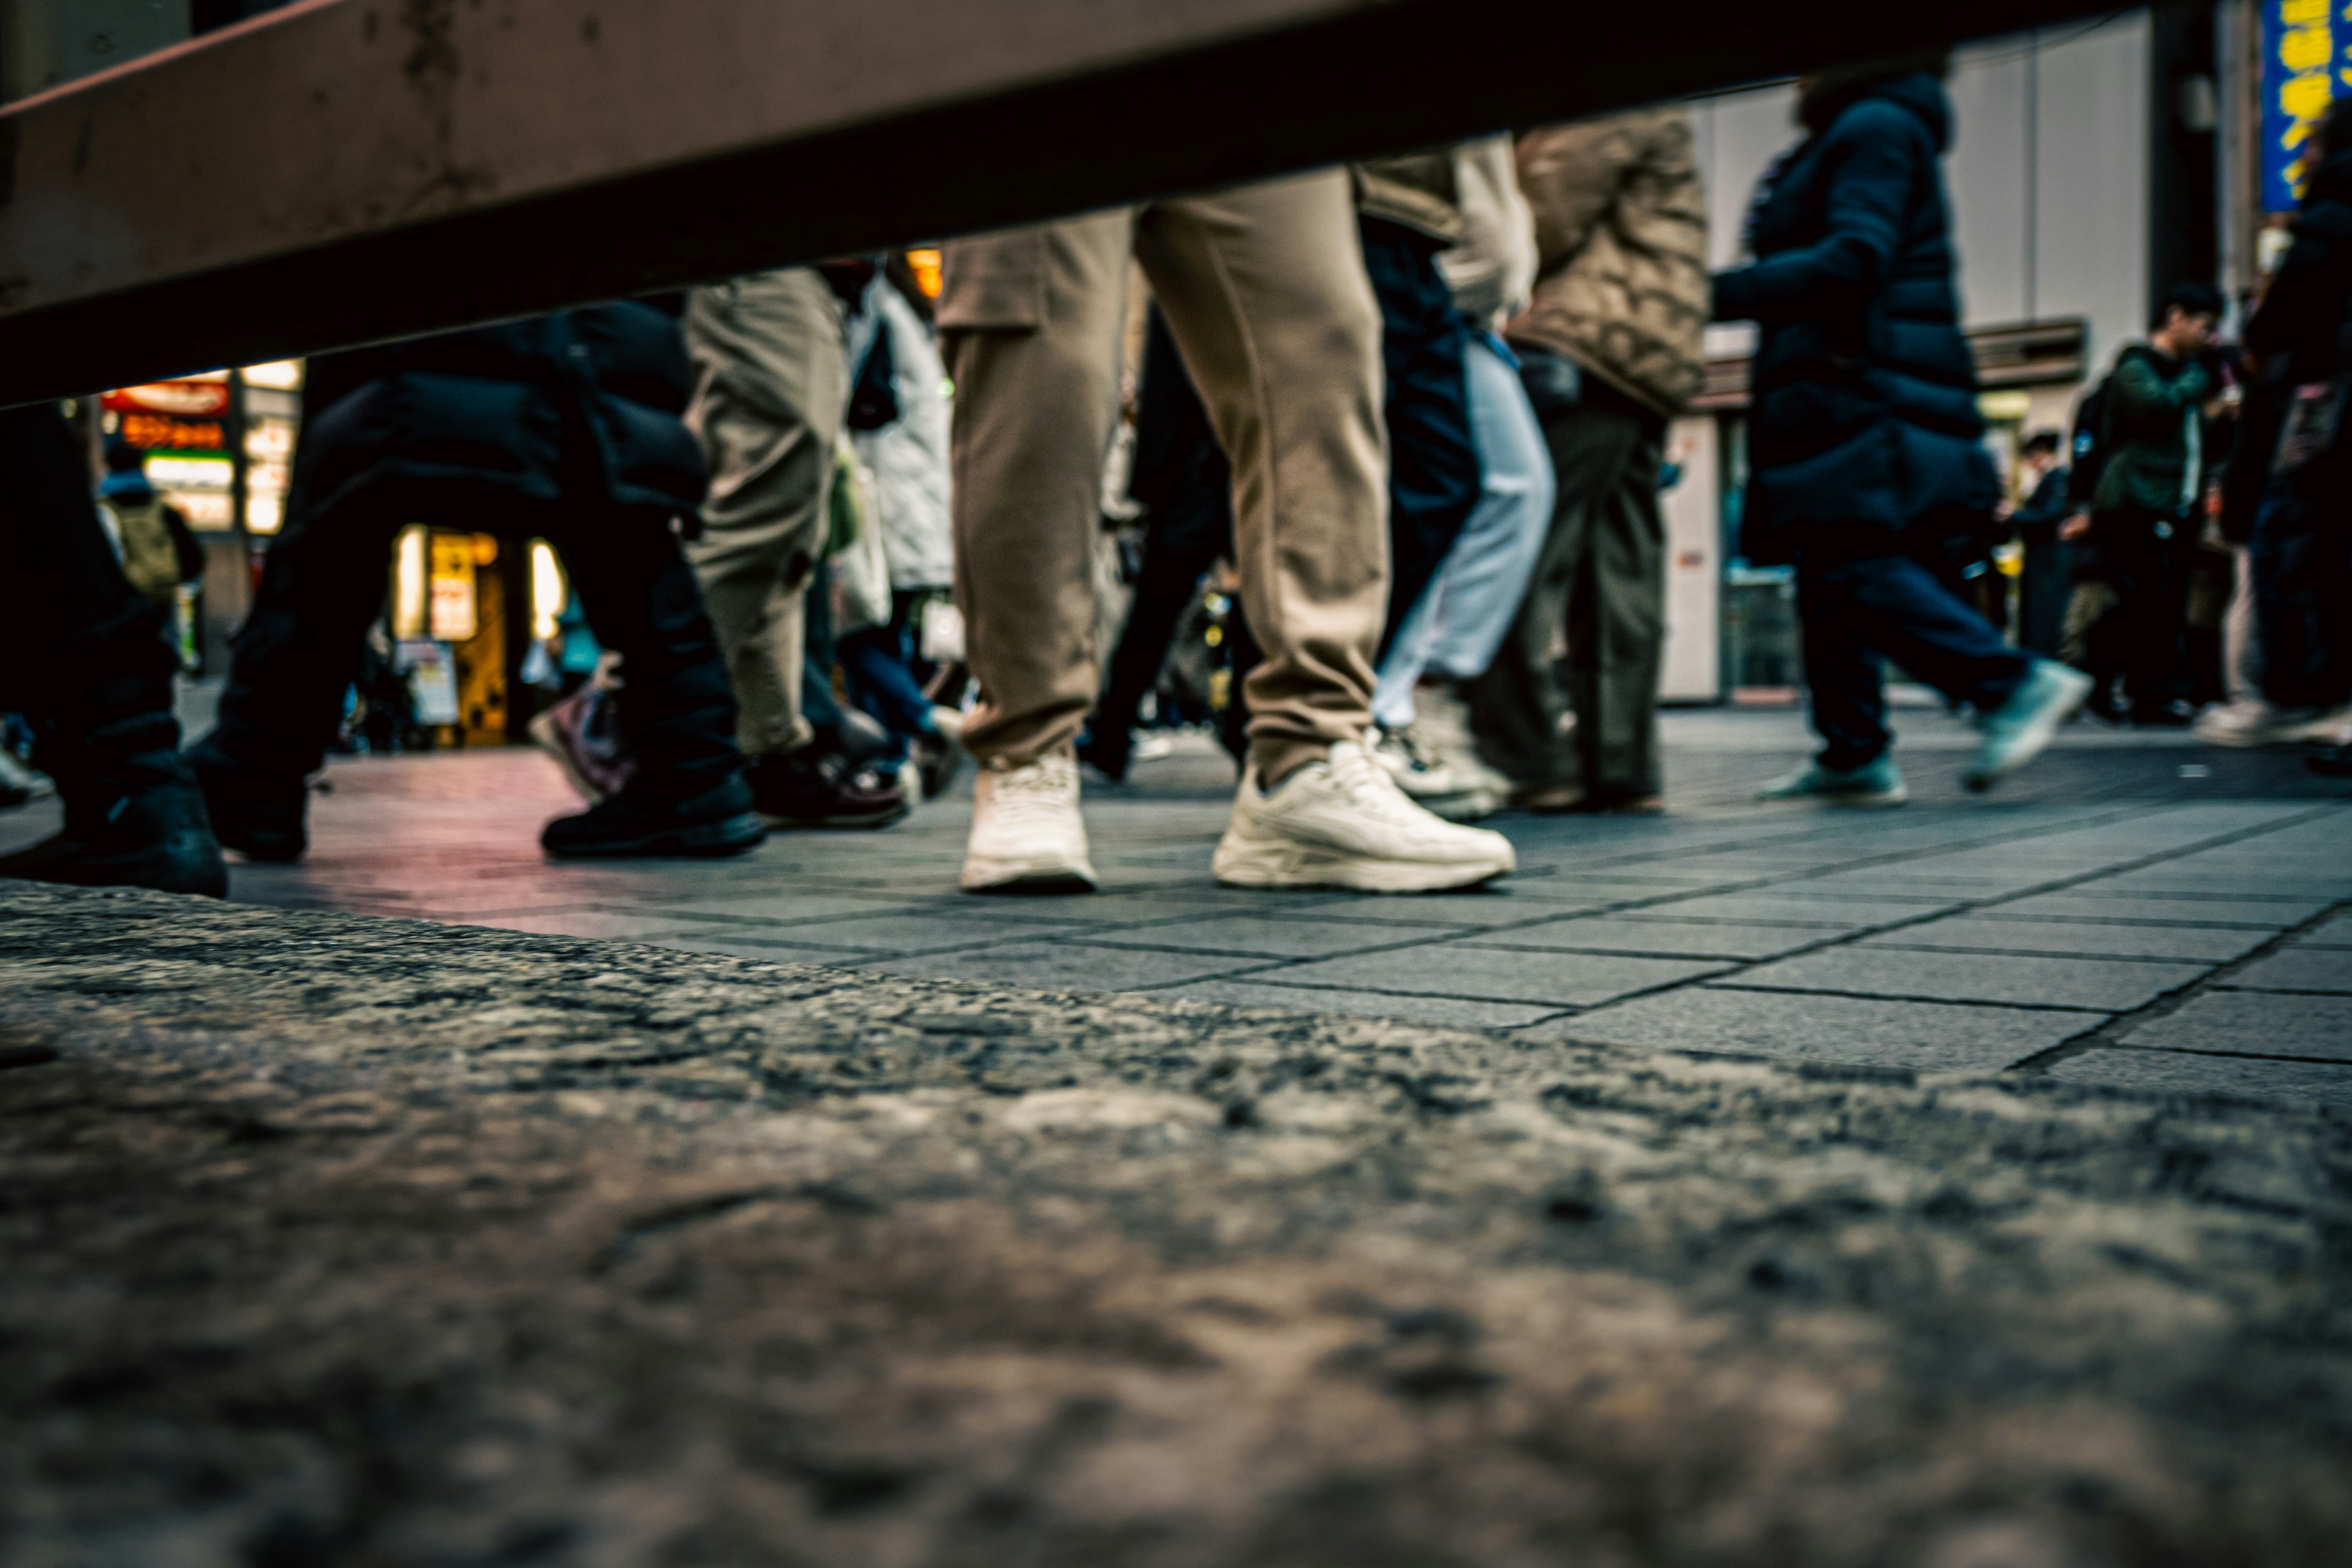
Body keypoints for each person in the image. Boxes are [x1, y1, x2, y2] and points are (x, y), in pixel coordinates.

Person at [940, 170, 1515, 894]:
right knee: (1041, 363)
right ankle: (1026, 749)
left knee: (1323, 352)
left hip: (1244, 72)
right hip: (1030, 64)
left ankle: (1305, 757)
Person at [187, 304, 764, 861]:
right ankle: (694, 772)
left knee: (339, 527)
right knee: (623, 529)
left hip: (447, 304)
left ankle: (255, 767)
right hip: (604, 331)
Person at [1713, 58, 2090, 805]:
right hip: (1840, 385)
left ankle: (2011, 682)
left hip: (1857, 388)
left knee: (1850, 563)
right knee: (1826, 573)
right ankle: (1852, 751)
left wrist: (1709, 295)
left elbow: (1855, 256)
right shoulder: (1859, 130)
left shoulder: (1875, 126)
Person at [1468, 106, 1711, 815]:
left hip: (1581, 344)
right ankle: (1621, 762)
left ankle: (1527, 753)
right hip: (1645, 358)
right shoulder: (1654, 88)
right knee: (1621, 568)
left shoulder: (1600, 87)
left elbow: (1544, 211)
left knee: (1522, 546)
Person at [680, 264, 909, 828]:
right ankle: (620, 710)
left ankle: (772, 747)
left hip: (818, 273)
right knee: (769, 498)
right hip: (768, 251)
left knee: (792, 536)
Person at [1366, 135, 1554, 823]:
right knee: (1432, 488)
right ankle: (1378, 710)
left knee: (1506, 488)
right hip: (1428, 275)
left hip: (1469, 306)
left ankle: (1413, 697)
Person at [0, 403, 227, 895]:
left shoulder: (111, 507)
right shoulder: (159, 507)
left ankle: (131, 797)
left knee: (13, 400)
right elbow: (190, 559)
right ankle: (140, 789)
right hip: (140, 606)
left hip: (106, 602)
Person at [2206, 97, 2352, 755]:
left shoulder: (2327, 217)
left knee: (2292, 543)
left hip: (2328, 404)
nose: (2304, 153)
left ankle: (2298, 694)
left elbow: (2277, 321)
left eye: (2314, 141)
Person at [2071, 281, 2226, 728]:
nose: (2209, 337)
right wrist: (2202, 377)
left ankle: (2122, 688)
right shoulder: (2135, 366)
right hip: (2132, 501)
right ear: (2175, 316)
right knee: (2142, 599)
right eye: (2205, 325)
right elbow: (2155, 407)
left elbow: (2194, 441)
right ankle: (2132, 690)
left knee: (2159, 601)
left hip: (2173, 503)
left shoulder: (2184, 376)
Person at [2005, 430, 2074, 658]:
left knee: (2045, 614)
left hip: (2049, 559)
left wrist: (2013, 515)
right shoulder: (2052, 480)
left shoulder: (2058, 478)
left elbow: (2049, 514)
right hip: (2043, 558)